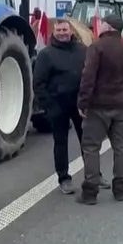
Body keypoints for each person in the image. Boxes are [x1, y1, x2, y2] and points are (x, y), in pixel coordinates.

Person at [78, 11, 123, 204]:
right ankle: (121, 189)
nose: (99, 25)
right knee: (120, 146)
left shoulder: (96, 47)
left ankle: (90, 192)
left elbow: (88, 77)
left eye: (102, 23)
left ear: (109, 27)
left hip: (98, 106)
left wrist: (83, 102)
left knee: (91, 148)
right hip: (120, 105)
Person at [33, 18, 86, 194]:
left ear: (71, 31)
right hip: (58, 106)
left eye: (65, 30)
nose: (62, 33)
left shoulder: (82, 51)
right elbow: (38, 83)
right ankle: (64, 178)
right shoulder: (46, 55)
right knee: (61, 143)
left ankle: (94, 174)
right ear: (54, 33)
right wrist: (49, 106)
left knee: (87, 141)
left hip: (80, 105)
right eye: (59, 31)